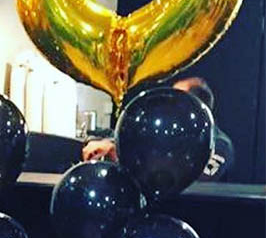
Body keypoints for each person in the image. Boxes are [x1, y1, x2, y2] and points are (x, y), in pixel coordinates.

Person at [82, 77, 234, 181]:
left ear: (193, 106)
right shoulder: (172, 138)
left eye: (175, 99)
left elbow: (193, 182)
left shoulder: (220, 145)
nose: (168, 105)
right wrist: (114, 148)